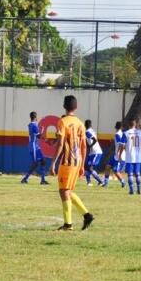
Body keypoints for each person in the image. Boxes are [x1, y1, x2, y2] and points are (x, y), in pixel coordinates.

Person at [50, 95, 94, 231]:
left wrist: (53, 162)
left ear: (64, 106)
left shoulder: (62, 122)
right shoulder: (80, 123)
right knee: (68, 191)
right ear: (76, 107)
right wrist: (82, 165)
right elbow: (84, 146)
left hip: (67, 161)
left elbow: (60, 144)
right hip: (77, 160)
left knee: (63, 191)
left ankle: (68, 224)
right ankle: (87, 215)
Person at [21, 111, 49, 185]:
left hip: (36, 146)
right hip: (33, 147)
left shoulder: (32, 125)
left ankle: (42, 180)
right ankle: (25, 178)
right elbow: (39, 136)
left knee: (43, 161)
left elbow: (36, 135)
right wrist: (42, 131)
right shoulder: (34, 125)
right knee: (36, 163)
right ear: (36, 117)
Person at [122, 119, 141, 195]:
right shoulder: (140, 133)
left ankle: (132, 190)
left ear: (129, 125)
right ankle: (139, 189)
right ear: (135, 125)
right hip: (138, 156)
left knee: (130, 174)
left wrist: (123, 152)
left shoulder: (126, 133)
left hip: (130, 156)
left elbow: (122, 145)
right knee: (137, 173)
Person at [102, 121, 126, 188]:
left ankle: (123, 182)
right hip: (116, 155)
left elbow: (120, 144)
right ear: (121, 127)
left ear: (116, 127)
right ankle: (106, 183)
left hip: (119, 156)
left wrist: (119, 154)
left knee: (116, 171)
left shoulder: (117, 134)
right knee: (108, 166)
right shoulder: (122, 134)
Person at [83, 119, 104, 186]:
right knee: (86, 167)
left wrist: (90, 146)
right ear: (91, 125)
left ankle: (101, 181)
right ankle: (89, 182)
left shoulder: (87, 132)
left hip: (96, 152)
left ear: (85, 125)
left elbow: (94, 140)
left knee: (90, 168)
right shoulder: (92, 131)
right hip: (92, 152)